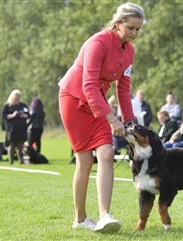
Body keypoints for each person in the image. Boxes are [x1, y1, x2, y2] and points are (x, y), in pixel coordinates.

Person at [58, 2, 144, 233]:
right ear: (118, 24)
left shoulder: (130, 52)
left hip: (98, 103)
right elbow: (88, 85)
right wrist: (112, 119)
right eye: (131, 28)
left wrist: (129, 123)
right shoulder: (97, 42)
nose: (135, 34)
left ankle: (105, 216)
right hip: (74, 99)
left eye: (138, 29)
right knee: (84, 160)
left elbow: (123, 90)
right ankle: (81, 218)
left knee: (106, 153)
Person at [1, 90, 30, 164]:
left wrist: (23, 115)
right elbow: (3, 116)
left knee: (20, 145)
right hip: (11, 129)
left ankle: (21, 160)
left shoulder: (23, 105)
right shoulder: (7, 106)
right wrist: (13, 115)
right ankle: (11, 161)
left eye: (18, 97)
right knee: (12, 145)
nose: (17, 99)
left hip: (21, 128)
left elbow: (28, 114)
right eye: (16, 97)